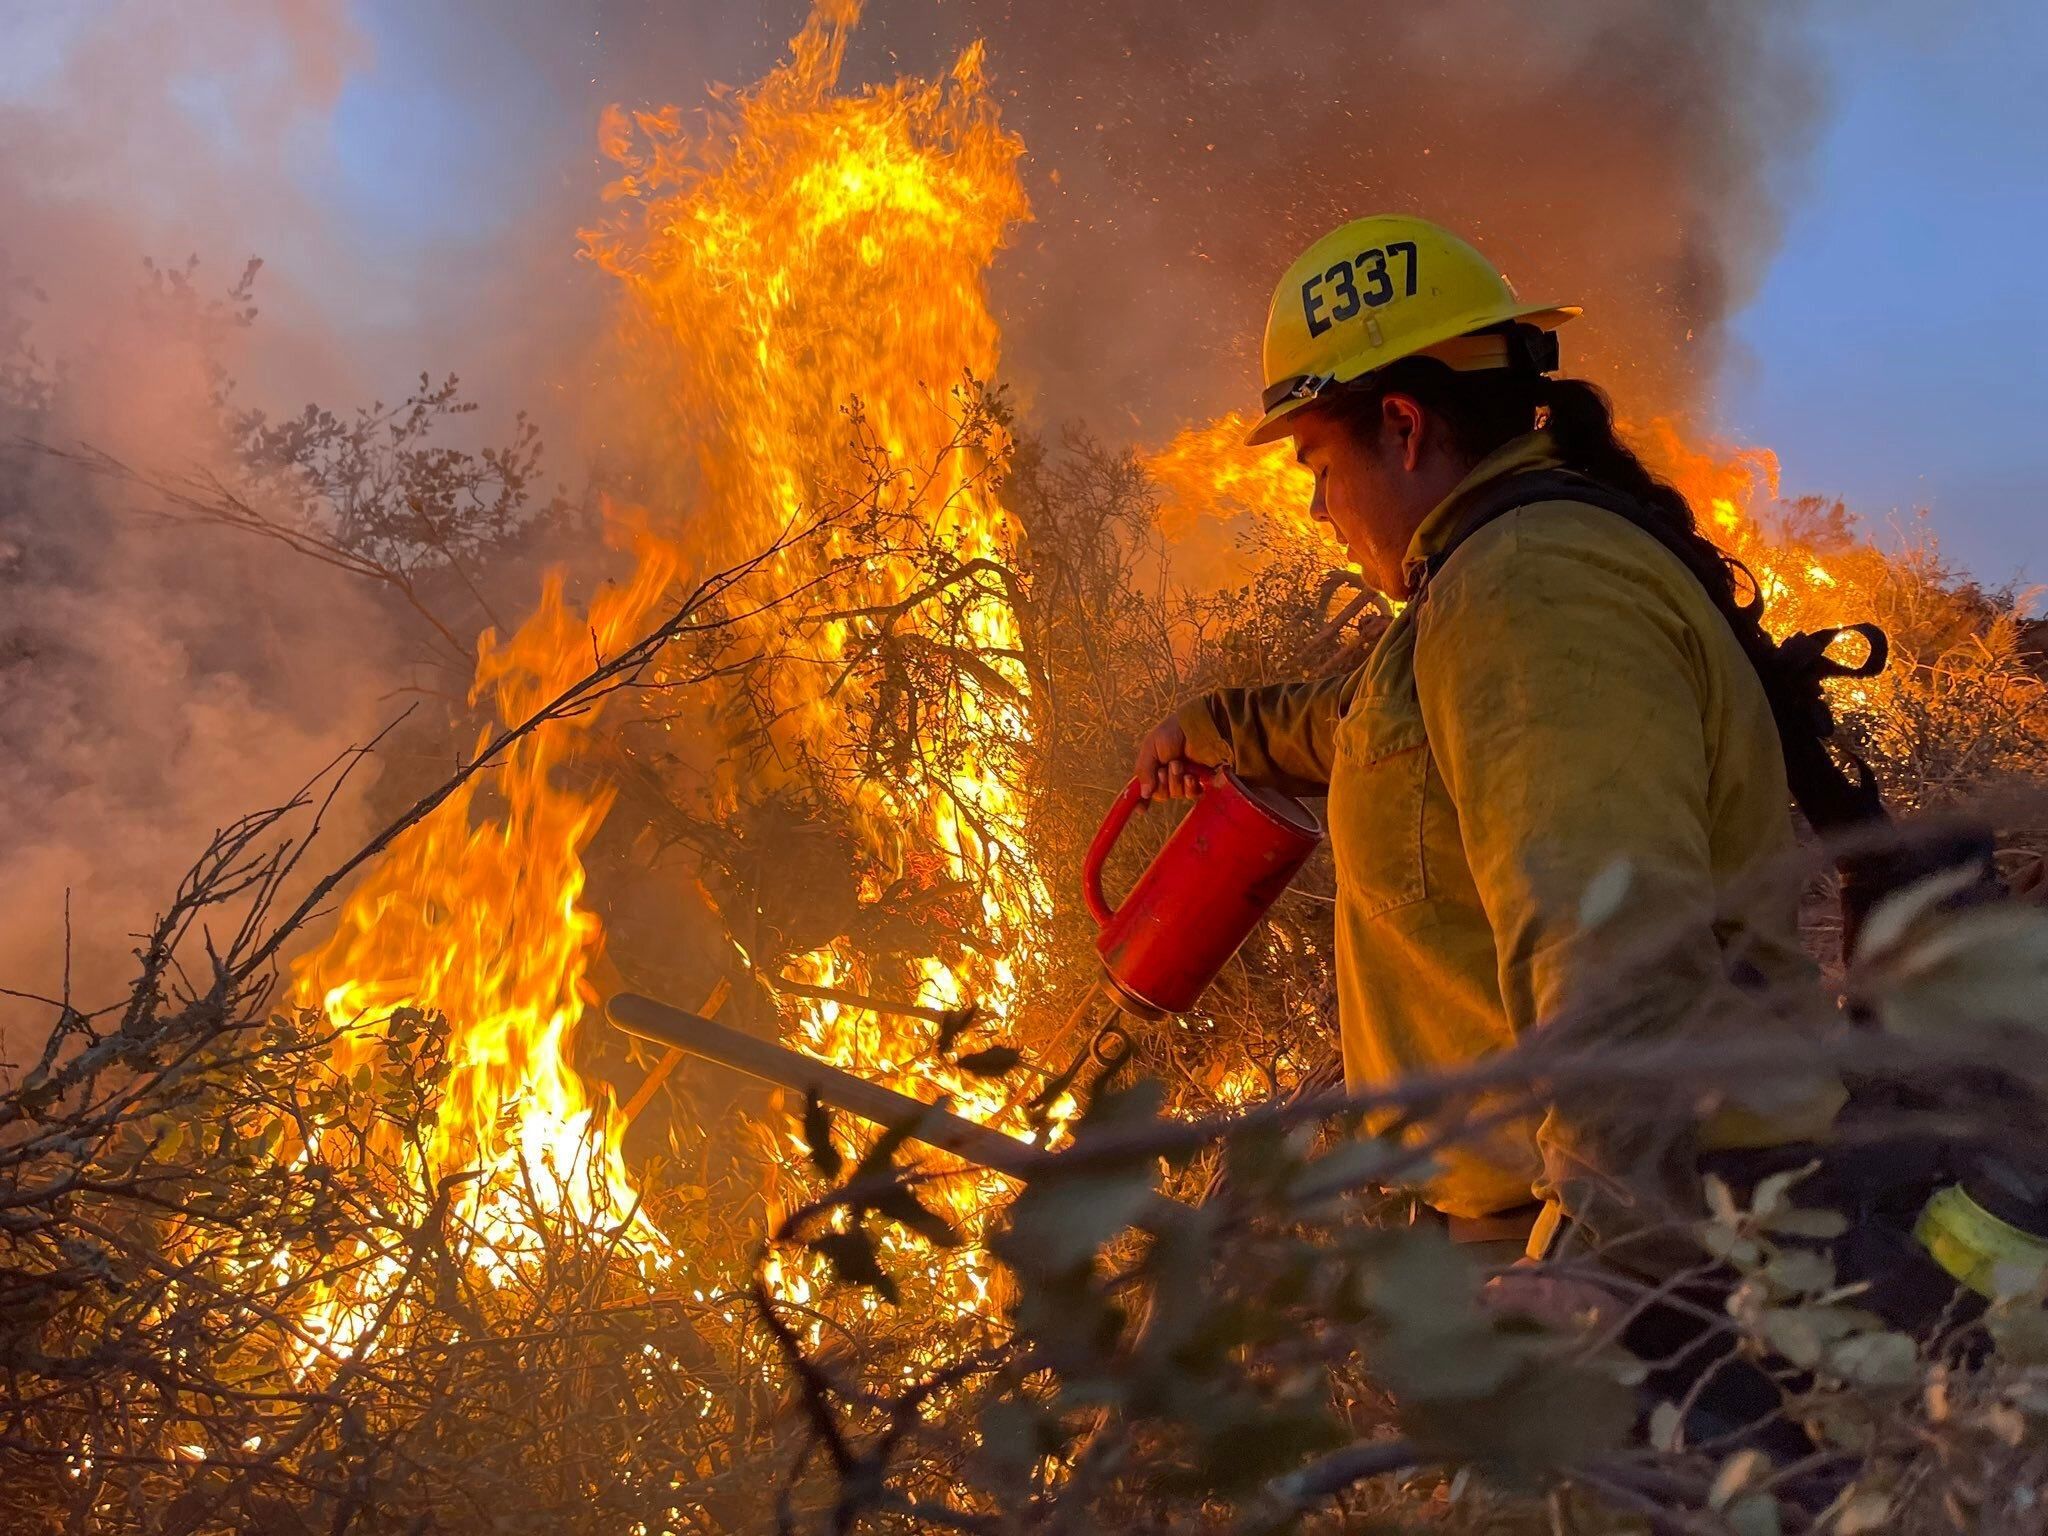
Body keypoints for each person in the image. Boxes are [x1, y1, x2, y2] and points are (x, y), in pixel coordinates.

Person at [1133, 215, 1848, 1270]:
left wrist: (1592, 1273)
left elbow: (1614, 949)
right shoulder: (1484, 582)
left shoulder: (1530, 591)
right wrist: (1217, 728)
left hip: (1618, 1246)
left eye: (1315, 461)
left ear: (1404, 427)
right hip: (1549, 1222)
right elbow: (1375, 736)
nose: (1318, 505)